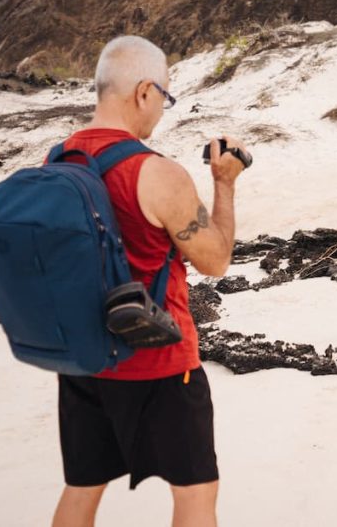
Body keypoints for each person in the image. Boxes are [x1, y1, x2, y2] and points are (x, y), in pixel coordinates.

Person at [48, 35, 245, 527]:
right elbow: (216, 260)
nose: (161, 109)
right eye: (165, 96)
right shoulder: (156, 173)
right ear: (143, 92)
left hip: (83, 358)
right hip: (159, 362)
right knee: (196, 494)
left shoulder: (58, 161)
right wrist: (224, 183)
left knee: (81, 488)